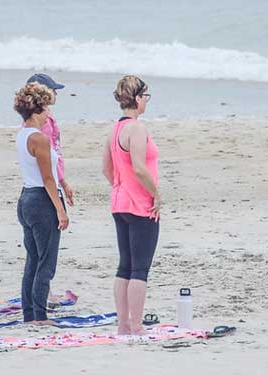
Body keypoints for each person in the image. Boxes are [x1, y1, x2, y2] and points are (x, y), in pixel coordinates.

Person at [102, 75, 160, 335]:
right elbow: (139, 167)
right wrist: (156, 194)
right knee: (139, 268)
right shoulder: (137, 128)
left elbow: (107, 168)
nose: (147, 101)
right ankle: (136, 325)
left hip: (120, 202)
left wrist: (120, 185)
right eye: (146, 96)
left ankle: (123, 324)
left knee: (125, 265)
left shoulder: (115, 128)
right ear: (137, 99)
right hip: (139, 205)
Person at [14, 83, 70, 325]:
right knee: (46, 262)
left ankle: (30, 313)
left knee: (33, 260)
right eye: (46, 107)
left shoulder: (22, 134)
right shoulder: (39, 138)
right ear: (36, 109)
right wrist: (60, 209)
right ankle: (39, 314)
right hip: (41, 199)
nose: (48, 113)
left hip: (26, 197)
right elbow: (48, 178)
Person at [26, 73, 74, 206]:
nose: (56, 94)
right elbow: (50, 154)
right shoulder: (43, 122)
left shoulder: (31, 119)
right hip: (47, 182)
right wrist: (62, 182)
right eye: (53, 90)